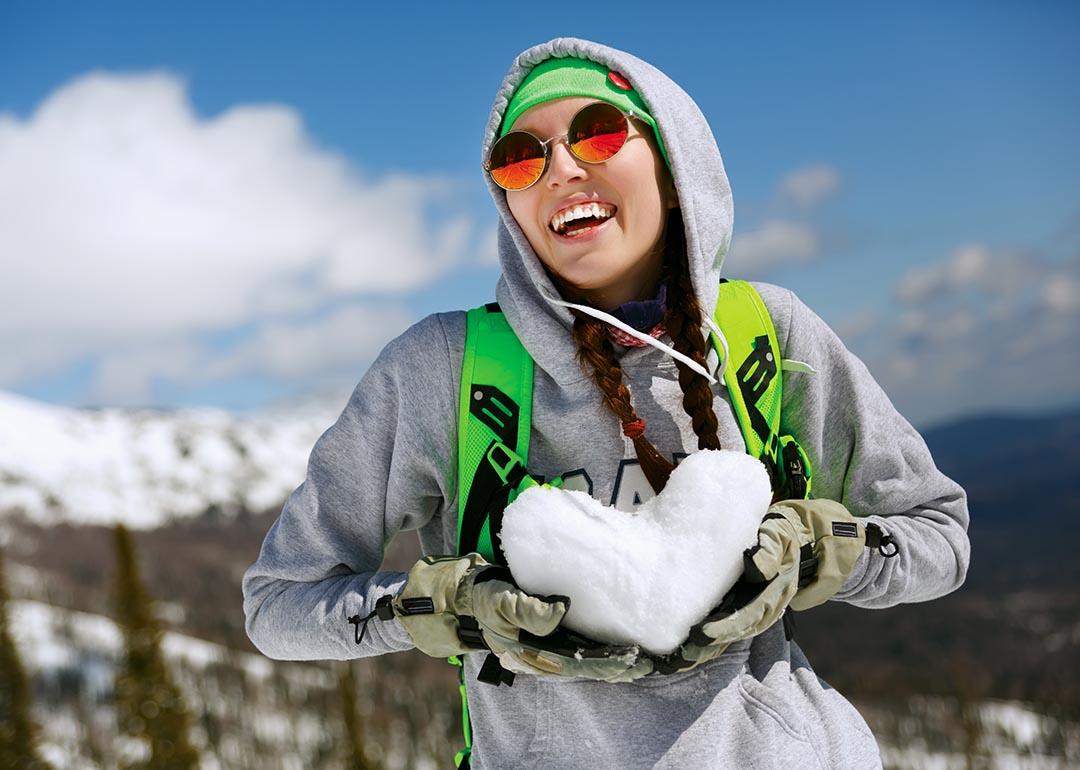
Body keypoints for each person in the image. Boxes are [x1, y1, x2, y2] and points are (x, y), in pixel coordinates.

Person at [242, 37, 970, 768]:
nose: (560, 167)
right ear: (510, 205)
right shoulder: (441, 370)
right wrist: (451, 606)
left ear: (675, 165)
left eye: (597, 132)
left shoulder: (766, 336)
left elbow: (940, 536)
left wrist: (817, 552)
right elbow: (279, 607)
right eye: (521, 157)